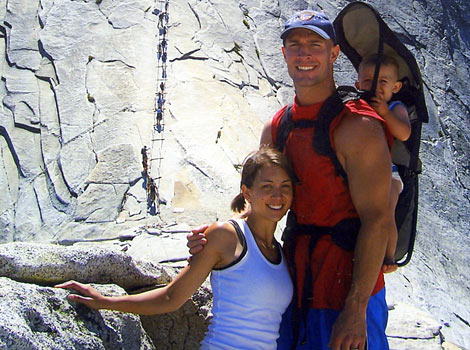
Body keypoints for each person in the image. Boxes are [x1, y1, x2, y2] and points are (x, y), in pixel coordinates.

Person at [188, 9, 393, 350]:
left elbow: (378, 218)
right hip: (293, 286)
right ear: (284, 53)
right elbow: (258, 206)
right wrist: (216, 238)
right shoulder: (277, 127)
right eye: (295, 44)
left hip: (347, 290)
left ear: (334, 53)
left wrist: (355, 310)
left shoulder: (360, 128)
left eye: (315, 43)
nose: (304, 53)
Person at [56, 146, 295, 350]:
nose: (278, 195)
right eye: (267, 186)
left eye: (285, 186)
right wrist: (107, 302)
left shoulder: (280, 251)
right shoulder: (226, 236)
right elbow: (171, 297)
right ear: (247, 192)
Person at [355, 54, 412, 273]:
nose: (375, 87)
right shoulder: (356, 104)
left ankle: (388, 256)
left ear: (396, 87)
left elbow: (404, 133)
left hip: (390, 172)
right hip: (364, 172)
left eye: (383, 82)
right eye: (368, 81)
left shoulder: (396, 107)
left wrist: (385, 112)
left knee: (386, 210)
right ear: (358, 84)